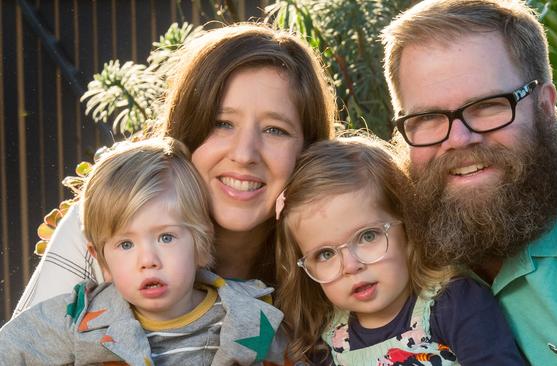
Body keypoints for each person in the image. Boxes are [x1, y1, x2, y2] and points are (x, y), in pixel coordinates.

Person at [382, 0, 557, 364]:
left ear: (545, 105)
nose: (459, 139)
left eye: (489, 105)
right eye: (428, 117)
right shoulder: (395, 237)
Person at [14, 22, 336, 315]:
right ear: (187, 129)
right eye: (221, 123)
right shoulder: (105, 226)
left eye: (275, 130)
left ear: (308, 150)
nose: (244, 153)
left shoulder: (339, 255)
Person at [0, 138, 285, 365]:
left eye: (166, 237)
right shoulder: (78, 318)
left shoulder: (251, 318)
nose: (148, 261)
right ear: (102, 261)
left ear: (200, 243)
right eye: (126, 244)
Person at [274, 136, 525, 365]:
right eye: (325, 254)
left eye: (367, 236)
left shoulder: (454, 304)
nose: (351, 266)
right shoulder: (328, 338)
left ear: (407, 226)